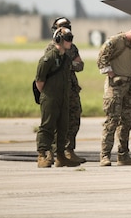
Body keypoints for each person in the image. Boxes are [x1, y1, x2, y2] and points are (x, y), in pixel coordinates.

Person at [97, 22, 131, 166]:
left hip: (129, 89)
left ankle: (123, 155)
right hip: (115, 87)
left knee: (126, 122)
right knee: (111, 122)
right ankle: (105, 156)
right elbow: (101, 59)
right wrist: (113, 75)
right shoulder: (114, 41)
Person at [34, 27, 81, 168]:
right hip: (50, 98)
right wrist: (49, 95)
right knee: (47, 126)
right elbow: (39, 82)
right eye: (68, 39)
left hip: (63, 98)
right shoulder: (48, 58)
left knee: (63, 127)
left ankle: (60, 156)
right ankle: (42, 155)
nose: (70, 42)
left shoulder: (66, 59)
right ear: (59, 39)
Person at [50, 16, 85, 164]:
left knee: (74, 119)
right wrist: (70, 65)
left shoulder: (72, 47)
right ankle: (53, 152)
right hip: (57, 90)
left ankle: (69, 150)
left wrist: (67, 65)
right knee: (55, 122)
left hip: (71, 90)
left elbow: (80, 65)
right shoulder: (51, 49)